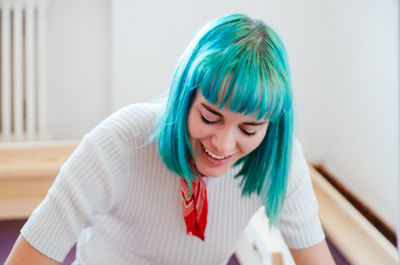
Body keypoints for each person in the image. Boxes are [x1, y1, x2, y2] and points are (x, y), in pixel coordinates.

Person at [5, 13, 336, 265]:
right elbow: (32, 252)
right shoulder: (119, 143)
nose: (222, 144)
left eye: (248, 129)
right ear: (185, 97)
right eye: (210, 116)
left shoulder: (279, 158)